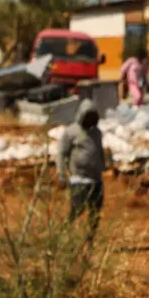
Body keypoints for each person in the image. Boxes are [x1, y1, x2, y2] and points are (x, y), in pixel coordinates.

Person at [57, 99, 109, 232]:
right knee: (77, 210)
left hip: (96, 180)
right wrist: (61, 174)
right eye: (87, 116)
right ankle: (65, 233)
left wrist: (104, 165)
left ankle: (90, 238)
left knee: (95, 212)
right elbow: (62, 153)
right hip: (79, 179)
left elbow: (99, 150)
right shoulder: (71, 132)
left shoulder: (97, 133)